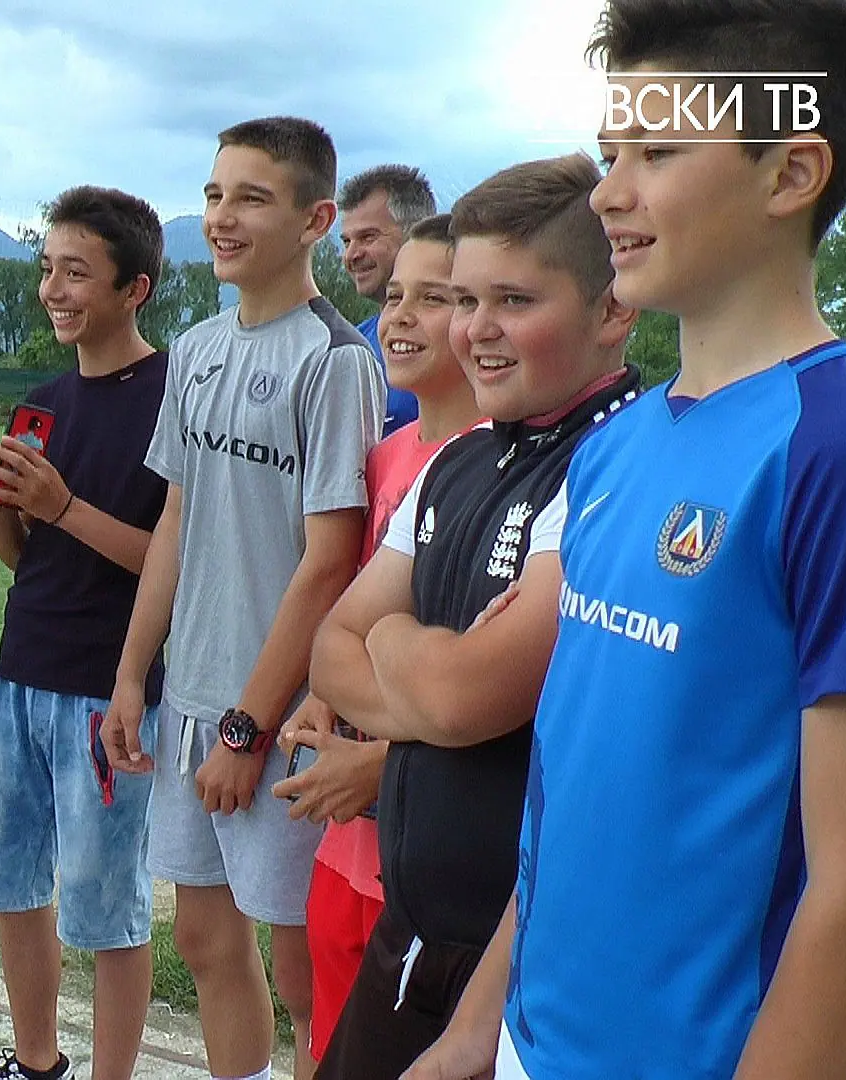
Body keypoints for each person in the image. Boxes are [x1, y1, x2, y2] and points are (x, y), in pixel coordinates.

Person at [411, 4, 846, 1078]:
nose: (609, 191)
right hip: (531, 1041)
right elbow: (576, 780)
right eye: (612, 153)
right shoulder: (617, 446)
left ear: (791, 173)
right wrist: (481, 1023)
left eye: (655, 152)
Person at [305, 154, 640, 1080]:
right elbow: (331, 650)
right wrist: (432, 672)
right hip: (413, 930)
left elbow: (462, 699)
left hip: (522, 957)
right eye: (465, 300)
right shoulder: (457, 460)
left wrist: (395, 643)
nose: (476, 330)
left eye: (514, 301)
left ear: (613, 309)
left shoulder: (615, 465)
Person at [103, 116, 383, 1080]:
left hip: (280, 715)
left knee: (303, 970)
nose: (223, 216)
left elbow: (328, 563)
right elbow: (177, 520)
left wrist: (247, 729)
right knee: (204, 939)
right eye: (215, 194)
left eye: (251, 198)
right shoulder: (196, 348)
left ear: (315, 220)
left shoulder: (334, 360)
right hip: (191, 697)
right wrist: (134, 675)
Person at [0, 186, 169, 1080]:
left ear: (134, 288)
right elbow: (25, 558)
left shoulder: (174, 399)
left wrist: (62, 506)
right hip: (21, 675)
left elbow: (174, 565)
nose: (53, 291)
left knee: (107, 908)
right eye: (46, 269)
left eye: (76, 272)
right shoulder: (43, 402)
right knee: (12, 883)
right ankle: (37, 1063)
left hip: (111, 690)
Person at [270, 211, 481, 1067]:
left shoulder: (505, 474)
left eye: (435, 298)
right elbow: (351, 624)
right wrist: (324, 700)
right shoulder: (385, 457)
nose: (400, 317)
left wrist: (386, 766)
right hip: (348, 837)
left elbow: (489, 686)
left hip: (424, 845)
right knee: (324, 1029)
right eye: (394, 296)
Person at [337, 164, 436, 437]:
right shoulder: (355, 346)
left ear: (416, 234)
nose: (351, 255)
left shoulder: (457, 345)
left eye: (368, 237)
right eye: (346, 242)